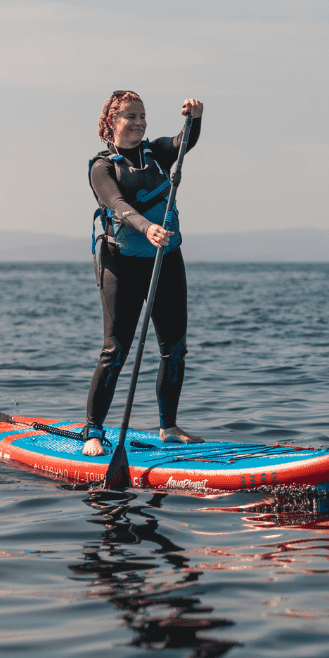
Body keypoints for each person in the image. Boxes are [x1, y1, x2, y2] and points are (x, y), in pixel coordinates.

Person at [82, 90, 205, 456]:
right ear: (111, 123)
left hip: (166, 259)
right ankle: (94, 431)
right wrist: (145, 227)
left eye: (142, 116)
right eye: (129, 117)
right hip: (120, 264)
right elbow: (118, 206)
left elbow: (186, 142)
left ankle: (169, 427)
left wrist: (195, 117)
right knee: (115, 350)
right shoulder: (102, 168)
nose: (138, 123)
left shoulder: (159, 154)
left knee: (175, 349)